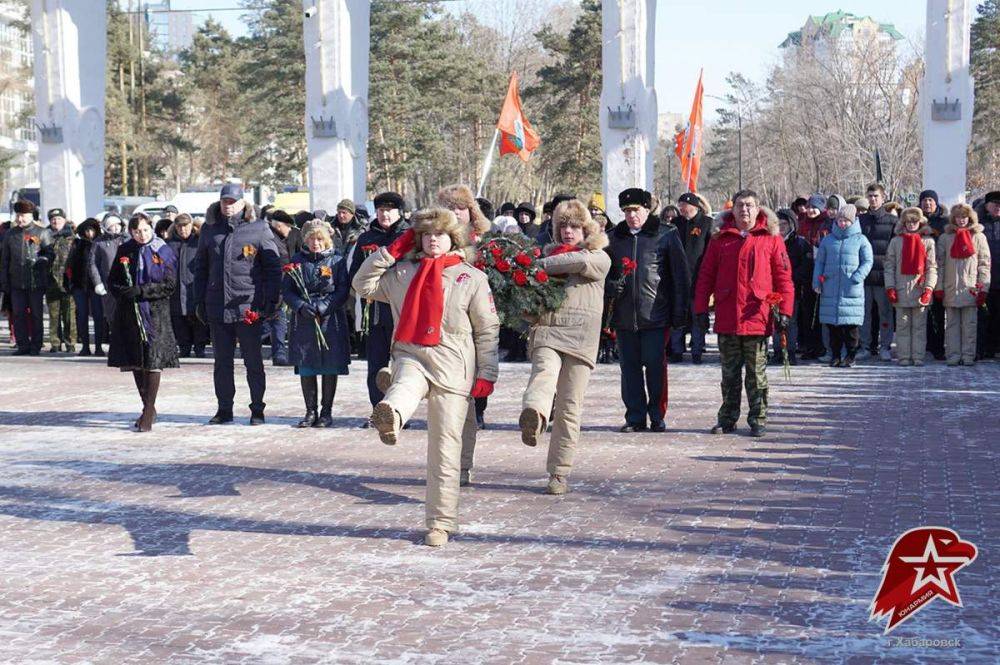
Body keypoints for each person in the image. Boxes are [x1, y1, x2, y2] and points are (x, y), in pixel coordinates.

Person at [353, 208, 499, 547]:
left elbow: (488, 329)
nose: (433, 239)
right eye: (427, 234)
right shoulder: (403, 272)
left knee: (445, 448)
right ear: (418, 239)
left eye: (441, 234)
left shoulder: (471, 277)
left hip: (453, 367)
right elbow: (362, 285)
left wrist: (486, 373)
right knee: (403, 385)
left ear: (453, 239)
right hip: (411, 353)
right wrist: (391, 251)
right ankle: (391, 417)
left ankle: (439, 523)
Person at [519, 199, 610, 495]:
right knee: (543, 375)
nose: (568, 232)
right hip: (548, 332)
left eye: (574, 226)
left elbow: (581, 263)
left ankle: (558, 473)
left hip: (581, 339)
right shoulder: (547, 259)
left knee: (570, 408)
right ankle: (534, 416)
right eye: (563, 226)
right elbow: (532, 306)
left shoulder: (598, 256)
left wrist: (539, 265)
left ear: (585, 228)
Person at [694, 190, 793, 437]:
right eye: (740, 205)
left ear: (758, 208)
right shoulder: (720, 238)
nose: (745, 210)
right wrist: (700, 309)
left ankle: (758, 418)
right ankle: (727, 418)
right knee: (729, 375)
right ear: (732, 209)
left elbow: (783, 278)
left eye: (749, 205)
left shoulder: (771, 238)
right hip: (728, 316)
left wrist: (785, 311)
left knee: (756, 375)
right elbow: (706, 276)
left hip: (756, 316)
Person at [193, 183, 282, 425]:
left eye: (233, 202)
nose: (228, 206)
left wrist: (272, 301)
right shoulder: (210, 230)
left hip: (248, 307)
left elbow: (273, 269)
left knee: (253, 361)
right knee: (222, 363)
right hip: (217, 306)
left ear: (243, 203)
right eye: (225, 201)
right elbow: (200, 268)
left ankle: (257, 409)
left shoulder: (260, 228)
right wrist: (198, 300)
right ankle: (224, 409)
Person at [606, 187, 690, 433]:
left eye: (636, 210)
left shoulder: (665, 234)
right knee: (629, 368)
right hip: (624, 315)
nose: (632, 215)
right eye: (627, 211)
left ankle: (657, 414)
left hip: (656, 314)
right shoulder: (614, 237)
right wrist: (611, 286)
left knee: (655, 366)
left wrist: (679, 312)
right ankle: (635, 416)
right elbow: (605, 274)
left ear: (647, 209)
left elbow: (679, 276)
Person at [435, 184, 494, 482]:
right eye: (450, 207)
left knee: (467, 403)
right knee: (447, 405)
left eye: (461, 207)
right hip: (443, 332)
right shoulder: (432, 241)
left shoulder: (485, 242)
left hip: (474, 331)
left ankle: (462, 465)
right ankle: (450, 464)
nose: (456, 213)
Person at [106, 214, 179, 432]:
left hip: (156, 313)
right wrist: (125, 292)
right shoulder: (125, 250)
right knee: (137, 361)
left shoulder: (162, 250)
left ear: (152, 229)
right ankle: (148, 406)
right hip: (130, 313)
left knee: (153, 360)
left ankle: (148, 412)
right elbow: (114, 281)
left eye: (145, 230)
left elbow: (169, 284)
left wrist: (143, 290)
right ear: (131, 232)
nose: (142, 235)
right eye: (137, 232)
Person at [283, 221, 352, 427]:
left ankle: (326, 411)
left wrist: (325, 306)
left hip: (330, 319)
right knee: (308, 365)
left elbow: (342, 290)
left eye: (320, 239)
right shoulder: (297, 261)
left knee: (329, 364)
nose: (316, 243)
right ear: (305, 240)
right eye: (312, 239)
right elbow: (287, 290)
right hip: (305, 319)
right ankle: (310, 411)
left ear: (327, 240)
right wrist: (301, 306)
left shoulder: (337, 261)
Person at [348, 191, 408, 415]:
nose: (385, 214)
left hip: (400, 310)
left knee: (401, 364)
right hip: (373, 311)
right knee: (375, 364)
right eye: (381, 210)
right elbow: (355, 275)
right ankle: (378, 411)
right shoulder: (367, 238)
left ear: (399, 212)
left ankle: (399, 409)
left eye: (389, 210)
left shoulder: (408, 236)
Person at [812, 205, 873, 367]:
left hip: (851, 289)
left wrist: (857, 277)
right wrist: (817, 282)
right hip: (830, 288)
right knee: (833, 328)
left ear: (852, 221)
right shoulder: (828, 240)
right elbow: (820, 262)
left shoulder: (861, 240)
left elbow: (868, 261)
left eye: (846, 220)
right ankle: (836, 355)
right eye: (840, 220)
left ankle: (851, 355)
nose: (842, 223)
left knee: (851, 328)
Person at [934, 204, 991, 366]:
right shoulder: (946, 238)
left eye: (964, 217)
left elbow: (984, 264)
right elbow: (940, 264)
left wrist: (983, 288)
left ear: (970, 218)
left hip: (971, 288)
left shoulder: (979, 237)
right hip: (951, 287)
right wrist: (939, 286)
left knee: (970, 325)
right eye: (958, 217)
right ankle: (953, 355)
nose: (961, 220)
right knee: (951, 325)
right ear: (954, 218)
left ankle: (968, 355)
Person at [884, 207, 938, 366]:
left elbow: (932, 267)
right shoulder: (896, 241)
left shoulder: (928, 241)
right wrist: (890, 287)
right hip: (901, 290)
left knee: (919, 327)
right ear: (904, 223)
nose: (912, 225)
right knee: (902, 326)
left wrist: (929, 288)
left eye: (915, 222)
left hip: (920, 290)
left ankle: (918, 356)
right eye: (908, 222)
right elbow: (889, 266)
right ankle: (904, 357)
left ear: (920, 222)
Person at [1, 199, 53, 355]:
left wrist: (43, 260)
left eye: (23, 215)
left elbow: (50, 253)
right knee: (18, 315)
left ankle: (36, 345)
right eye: (18, 215)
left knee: (37, 315)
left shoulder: (42, 232)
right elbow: (4, 260)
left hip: (36, 282)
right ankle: (22, 345)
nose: (19, 219)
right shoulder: (10, 234)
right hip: (16, 282)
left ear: (31, 215)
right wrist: (4, 282)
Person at [669, 192, 713, 363]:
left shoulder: (706, 223)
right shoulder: (675, 224)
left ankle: (697, 349)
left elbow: (710, 251)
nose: (681, 209)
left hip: (699, 278)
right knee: (678, 316)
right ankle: (676, 349)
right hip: (678, 278)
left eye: (683, 206)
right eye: (679, 206)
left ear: (693, 206)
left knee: (698, 315)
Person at [859, 183, 897, 360]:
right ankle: (865, 347)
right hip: (864, 277)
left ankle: (885, 346)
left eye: (876, 196)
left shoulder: (892, 221)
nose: (873, 199)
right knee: (864, 315)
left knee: (885, 314)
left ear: (883, 198)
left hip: (883, 277)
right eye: (870, 196)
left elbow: (896, 251)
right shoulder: (861, 220)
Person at [771, 208, 812, 365]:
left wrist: (791, 278)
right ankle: (777, 350)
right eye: (778, 224)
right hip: (774, 288)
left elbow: (806, 266)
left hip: (792, 287)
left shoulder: (800, 243)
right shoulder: (772, 241)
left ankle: (790, 351)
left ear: (791, 225)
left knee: (790, 320)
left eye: (784, 224)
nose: (781, 228)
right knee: (776, 320)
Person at [166, 214, 208, 358]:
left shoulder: (199, 242)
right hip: (176, 289)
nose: (183, 229)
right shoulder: (169, 244)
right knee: (179, 319)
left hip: (194, 287)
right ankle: (184, 347)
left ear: (192, 226)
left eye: (186, 226)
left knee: (198, 318)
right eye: (180, 226)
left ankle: (200, 347)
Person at [88, 213, 127, 356]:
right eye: (112, 226)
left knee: (128, 317)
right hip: (109, 286)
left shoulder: (127, 240)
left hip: (126, 285)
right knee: (112, 317)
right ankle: (116, 346)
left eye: (117, 225)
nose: (115, 228)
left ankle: (128, 346)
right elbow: (92, 264)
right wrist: (97, 283)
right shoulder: (99, 243)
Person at [66, 218, 103, 356]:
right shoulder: (77, 244)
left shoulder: (100, 243)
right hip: (79, 285)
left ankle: (98, 346)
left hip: (97, 286)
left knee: (98, 316)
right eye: (86, 230)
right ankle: (85, 346)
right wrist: (70, 282)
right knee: (82, 316)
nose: (89, 233)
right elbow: (69, 264)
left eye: (91, 230)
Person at [919, 190, 948, 360]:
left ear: (936, 203)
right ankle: (924, 345)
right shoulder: (915, 220)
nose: (927, 203)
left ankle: (938, 347)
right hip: (918, 271)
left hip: (938, 269)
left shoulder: (944, 222)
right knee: (922, 311)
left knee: (938, 310)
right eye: (924, 200)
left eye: (930, 200)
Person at [973, 191, 1000, 358]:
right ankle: (981, 348)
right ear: (987, 205)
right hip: (982, 279)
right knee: (982, 316)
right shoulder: (978, 226)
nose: (998, 206)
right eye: (995, 203)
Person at [46, 208, 76, 352]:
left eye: (58, 219)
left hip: (67, 281)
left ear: (64, 220)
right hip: (50, 281)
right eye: (53, 219)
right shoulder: (45, 235)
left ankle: (70, 343)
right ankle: (55, 343)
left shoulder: (72, 237)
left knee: (69, 315)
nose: (55, 221)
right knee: (53, 315)